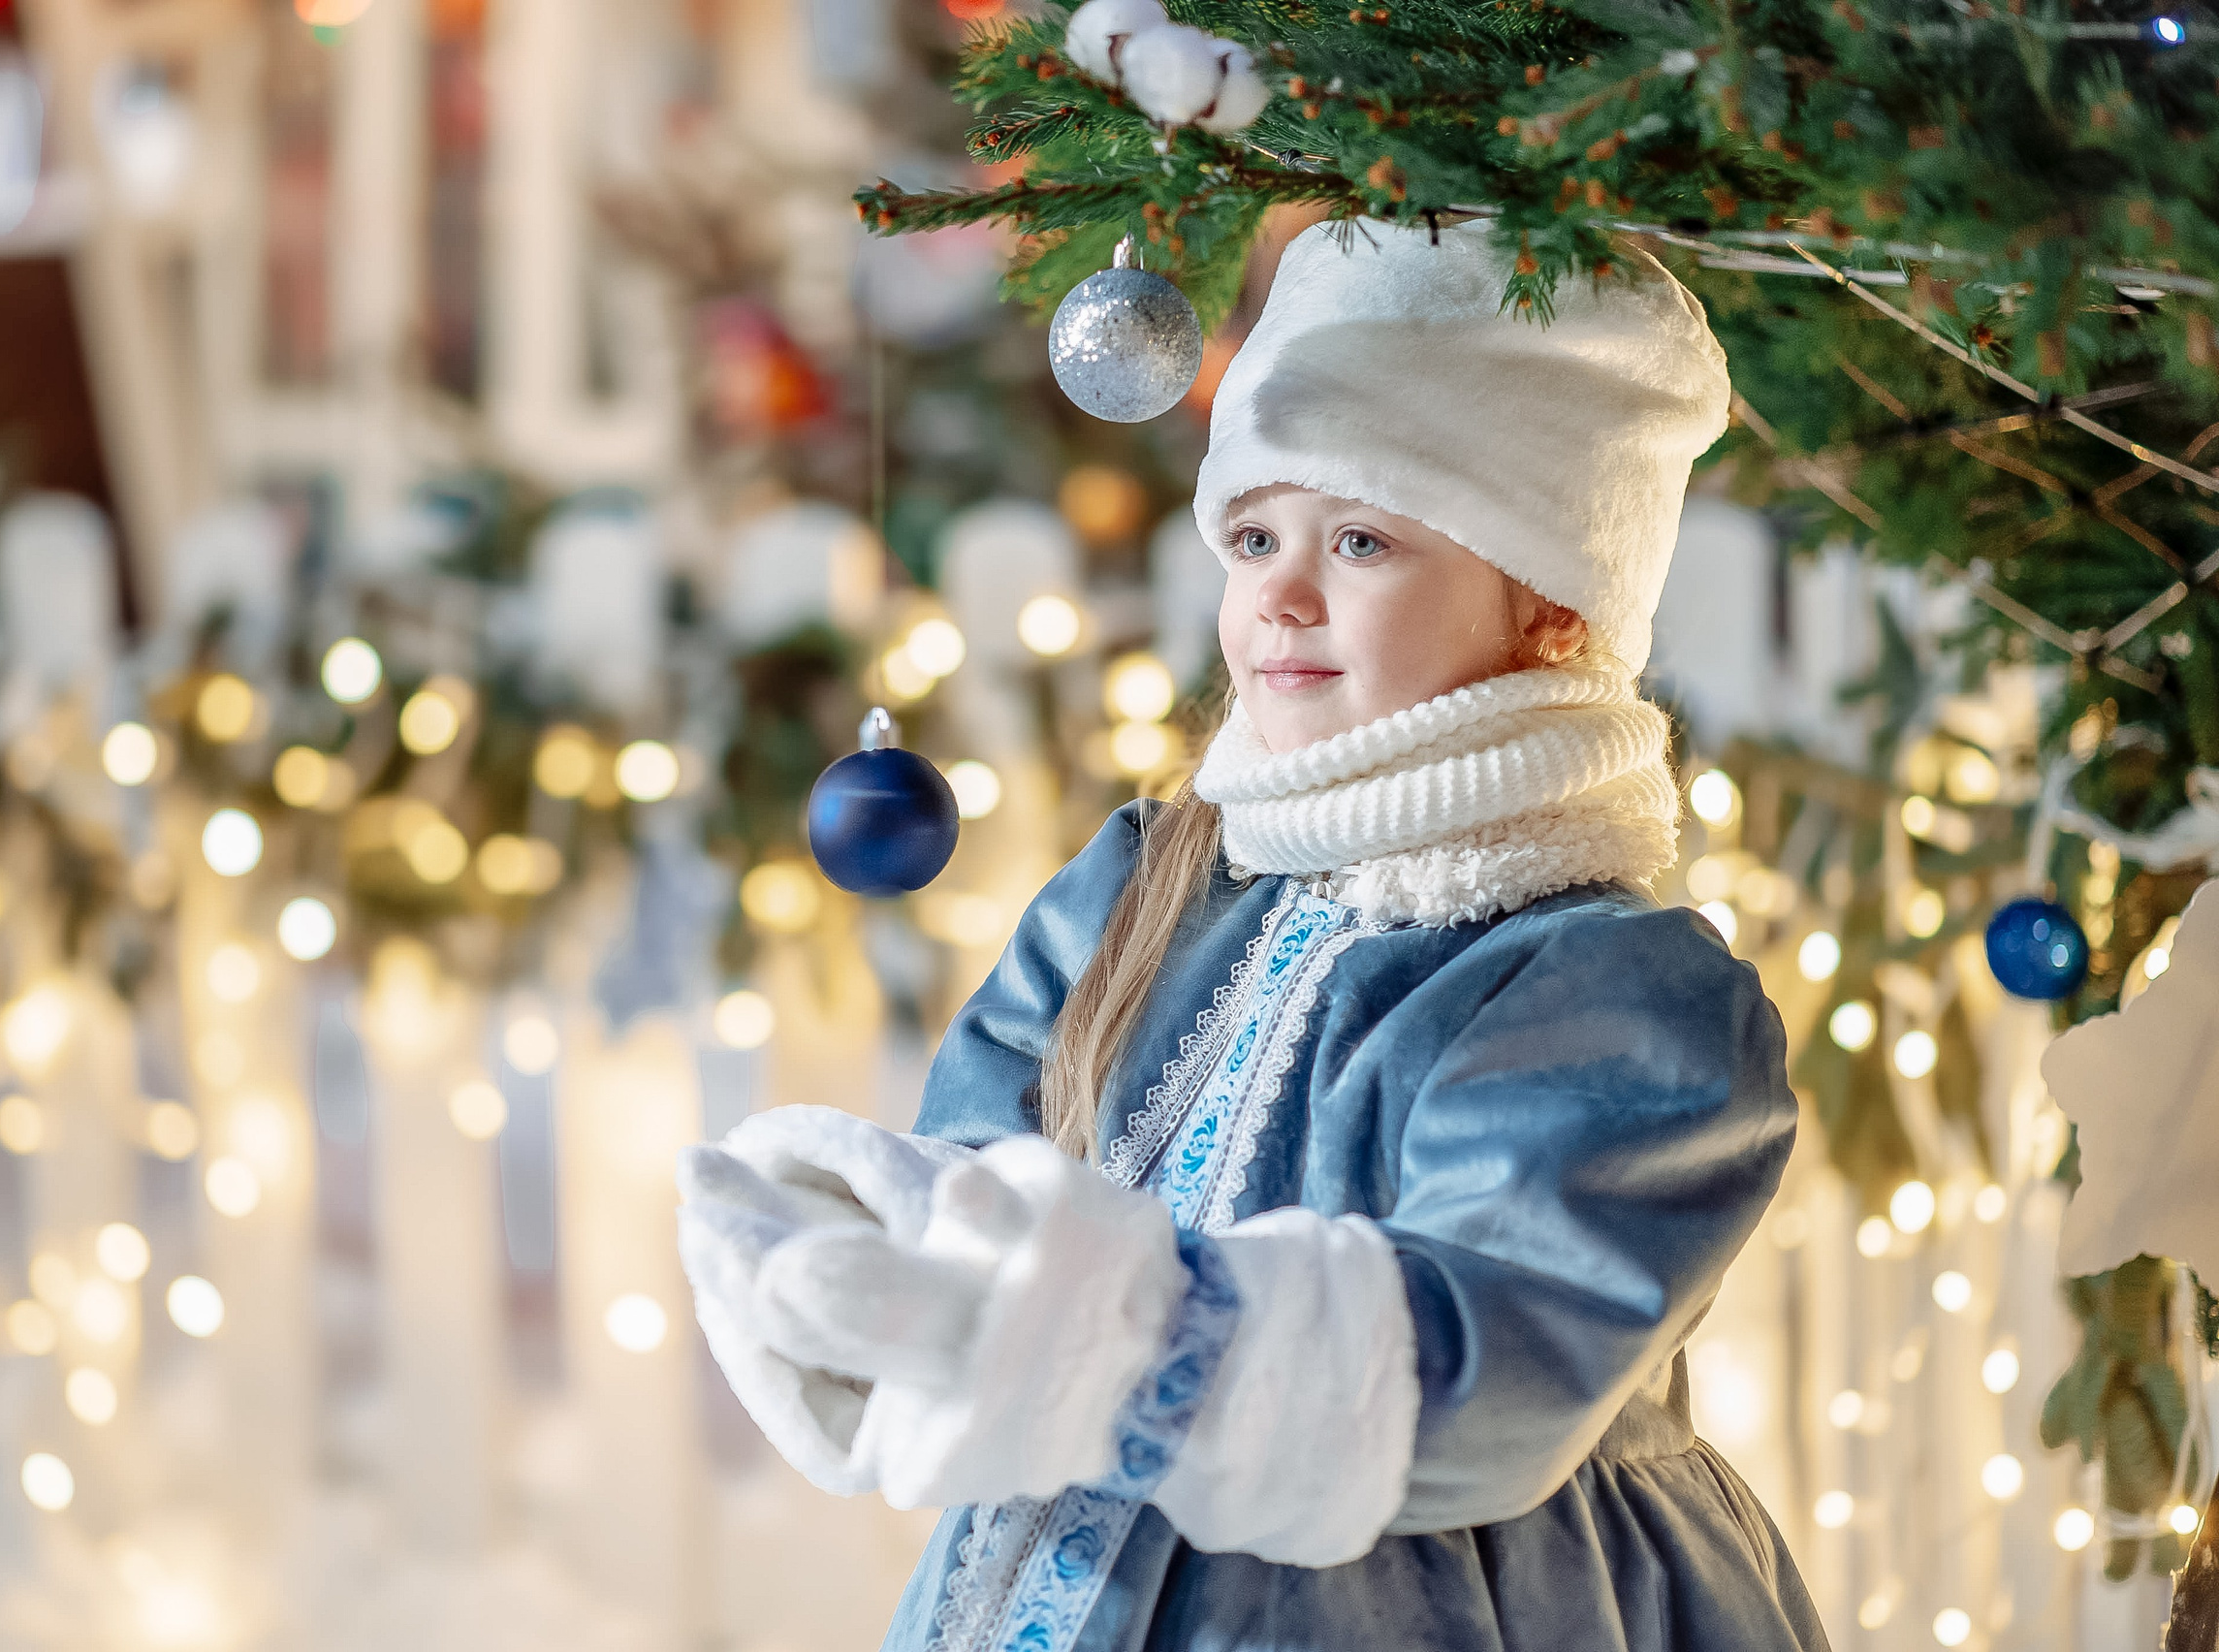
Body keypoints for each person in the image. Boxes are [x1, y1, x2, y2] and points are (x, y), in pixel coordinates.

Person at [677, 218, 1829, 1652]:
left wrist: (1109, 1341)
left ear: (1549, 609)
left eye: (1360, 540)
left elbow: (1494, 1358)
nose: (1280, 594)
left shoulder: (1614, 989)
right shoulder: (1142, 884)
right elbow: (997, 1148)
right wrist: (892, 1257)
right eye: (1254, 536)